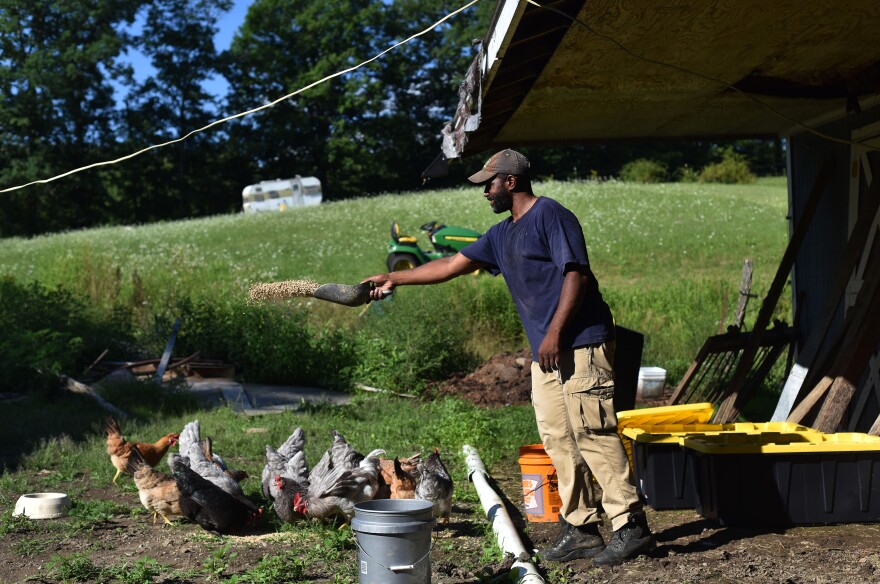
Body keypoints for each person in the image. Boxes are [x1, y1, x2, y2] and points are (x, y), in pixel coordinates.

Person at [363, 148, 654, 566]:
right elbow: (449, 265)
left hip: (582, 343)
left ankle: (631, 526)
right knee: (557, 437)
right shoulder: (501, 234)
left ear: (511, 181)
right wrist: (393, 277)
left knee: (594, 432)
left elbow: (577, 273)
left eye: (489, 183)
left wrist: (554, 332)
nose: (485, 192)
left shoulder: (551, 215)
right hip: (548, 353)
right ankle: (583, 528)